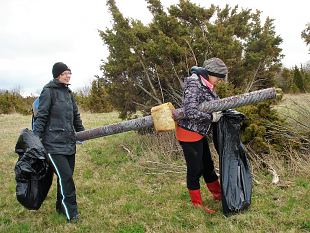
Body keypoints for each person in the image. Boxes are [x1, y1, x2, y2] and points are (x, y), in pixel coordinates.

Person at [174, 57, 228, 213]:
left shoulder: (204, 83)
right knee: (195, 169)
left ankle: (218, 194)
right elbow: (190, 112)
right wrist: (211, 118)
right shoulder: (194, 83)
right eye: (218, 78)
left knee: (208, 165)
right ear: (210, 73)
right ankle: (197, 204)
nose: (219, 81)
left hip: (199, 132)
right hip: (189, 132)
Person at [33, 62, 85, 223]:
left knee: (64, 178)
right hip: (53, 145)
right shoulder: (48, 92)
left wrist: (82, 133)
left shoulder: (69, 93)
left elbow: (75, 116)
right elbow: (41, 117)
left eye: (69, 73)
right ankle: (72, 214)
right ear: (57, 75)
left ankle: (61, 207)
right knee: (67, 179)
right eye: (64, 73)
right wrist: (35, 140)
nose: (68, 76)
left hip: (69, 143)